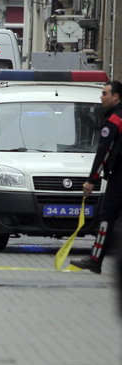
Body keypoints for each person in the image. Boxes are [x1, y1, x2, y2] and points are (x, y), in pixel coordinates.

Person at [70, 81, 122, 273]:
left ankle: (95, 259)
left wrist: (91, 180)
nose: (101, 97)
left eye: (105, 93)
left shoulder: (114, 120)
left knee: (106, 217)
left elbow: (104, 152)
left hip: (118, 177)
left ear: (116, 97)